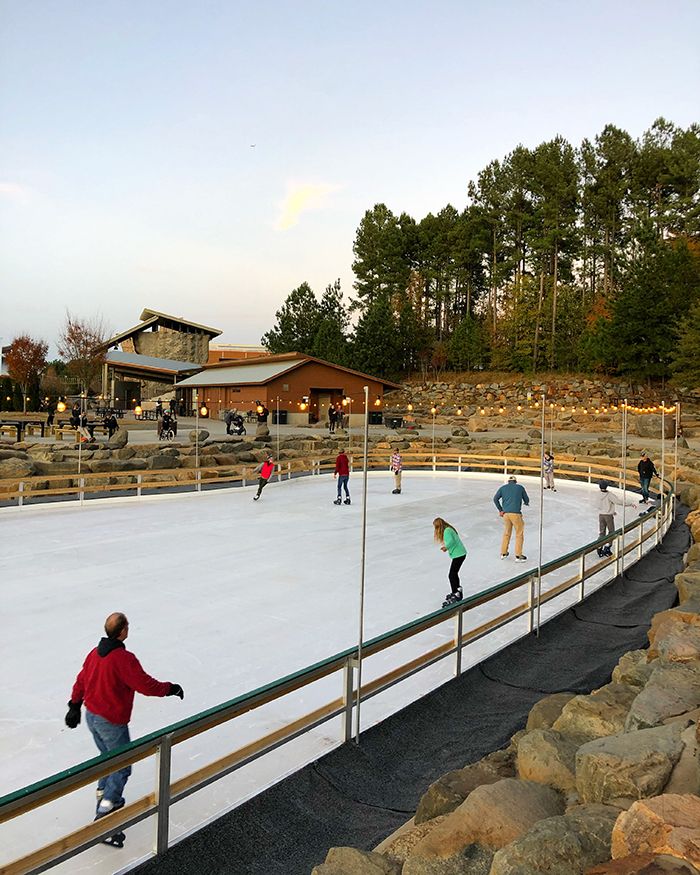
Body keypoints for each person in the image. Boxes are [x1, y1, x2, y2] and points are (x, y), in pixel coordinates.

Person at [64, 612, 183, 847]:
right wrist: (171, 688)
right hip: (110, 721)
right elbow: (144, 685)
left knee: (107, 759)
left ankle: (104, 797)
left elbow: (81, 680)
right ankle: (105, 818)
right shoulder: (122, 659)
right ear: (122, 631)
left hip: (92, 717)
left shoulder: (94, 653)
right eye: (127, 626)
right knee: (122, 767)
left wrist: (75, 705)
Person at [595, 480, 638, 557]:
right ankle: (607, 548)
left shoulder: (598, 494)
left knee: (602, 532)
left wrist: (610, 510)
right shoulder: (609, 495)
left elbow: (599, 504)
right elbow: (618, 502)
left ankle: (599, 546)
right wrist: (630, 504)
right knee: (611, 532)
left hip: (601, 515)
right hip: (608, 516)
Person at [493, 475, 530, 562]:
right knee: (519, 533)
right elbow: (526, 498)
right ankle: (518, 555)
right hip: (516, 514)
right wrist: (526, 502)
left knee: (507, 533)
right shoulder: (520, 487)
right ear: (515, 481)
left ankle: (503, 553)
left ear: (508, 481)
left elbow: (495, 499)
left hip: (506, 514)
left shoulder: (503, 488)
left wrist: (500, 510)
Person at [433, 517, 467, 607]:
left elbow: (451, 541)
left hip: (459, 554)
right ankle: (457, 590)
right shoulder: (448, 529)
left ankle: (456, 592)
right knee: (454, 573)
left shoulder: (447, 531)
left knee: (452, 574)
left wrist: (446, 547)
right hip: (460, 554)